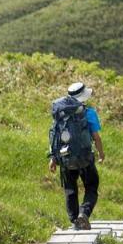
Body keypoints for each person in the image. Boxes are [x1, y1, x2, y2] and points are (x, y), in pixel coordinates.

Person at [48, 81, 105, 230]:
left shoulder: (60, 113)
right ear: (83, 97)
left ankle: (75, 222)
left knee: (70, 189)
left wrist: (53, 158)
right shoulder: (89, 113)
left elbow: (55, 136)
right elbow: (96, 137)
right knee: (92, 186)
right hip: (85, 157)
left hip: (65, 157)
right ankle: (84, 214)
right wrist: (101, 153)